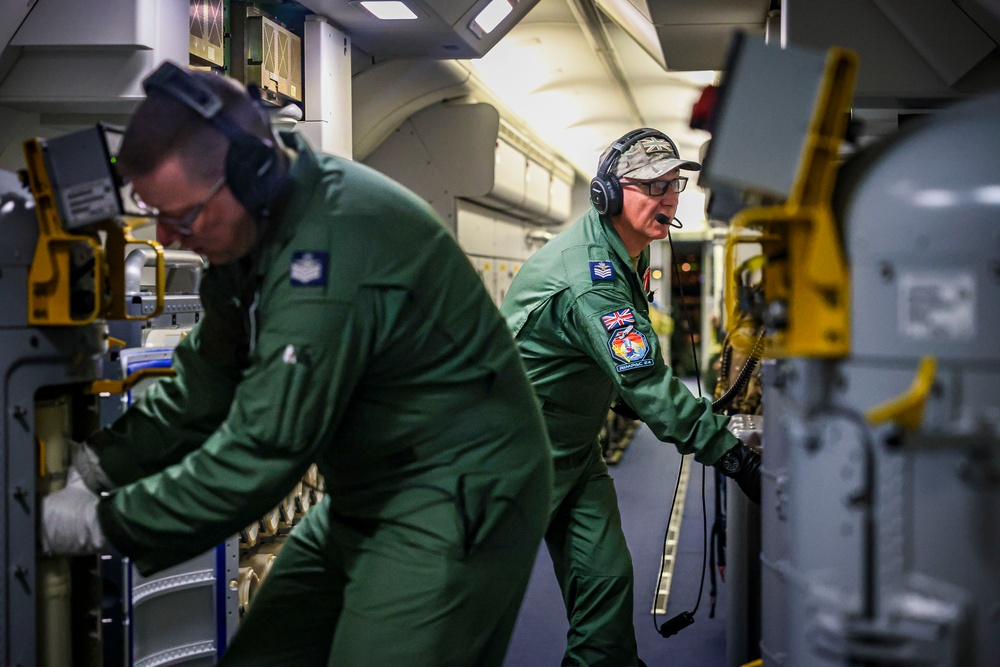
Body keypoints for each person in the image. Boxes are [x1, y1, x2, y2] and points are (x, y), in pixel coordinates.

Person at [40, 61, 553, 666]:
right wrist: (100, 463)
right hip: (366, 490)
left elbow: (263, 448)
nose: (168, 237)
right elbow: (207, 383)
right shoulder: (250, 233)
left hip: (459, 494)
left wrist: (106, 524)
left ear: (249, 175)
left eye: (182, 217)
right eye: (154, 215)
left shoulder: (330, 252)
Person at [499, 127, 761, 666]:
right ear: (610, 194)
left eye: (673, 185)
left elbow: (613, 362)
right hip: (511, 458)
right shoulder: (591, 277)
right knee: (465, 609)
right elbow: (642, 379)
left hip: (573, 452)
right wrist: (734, 457)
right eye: (650, 186)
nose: (666, 198)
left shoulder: (629, 254)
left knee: (607, 582)